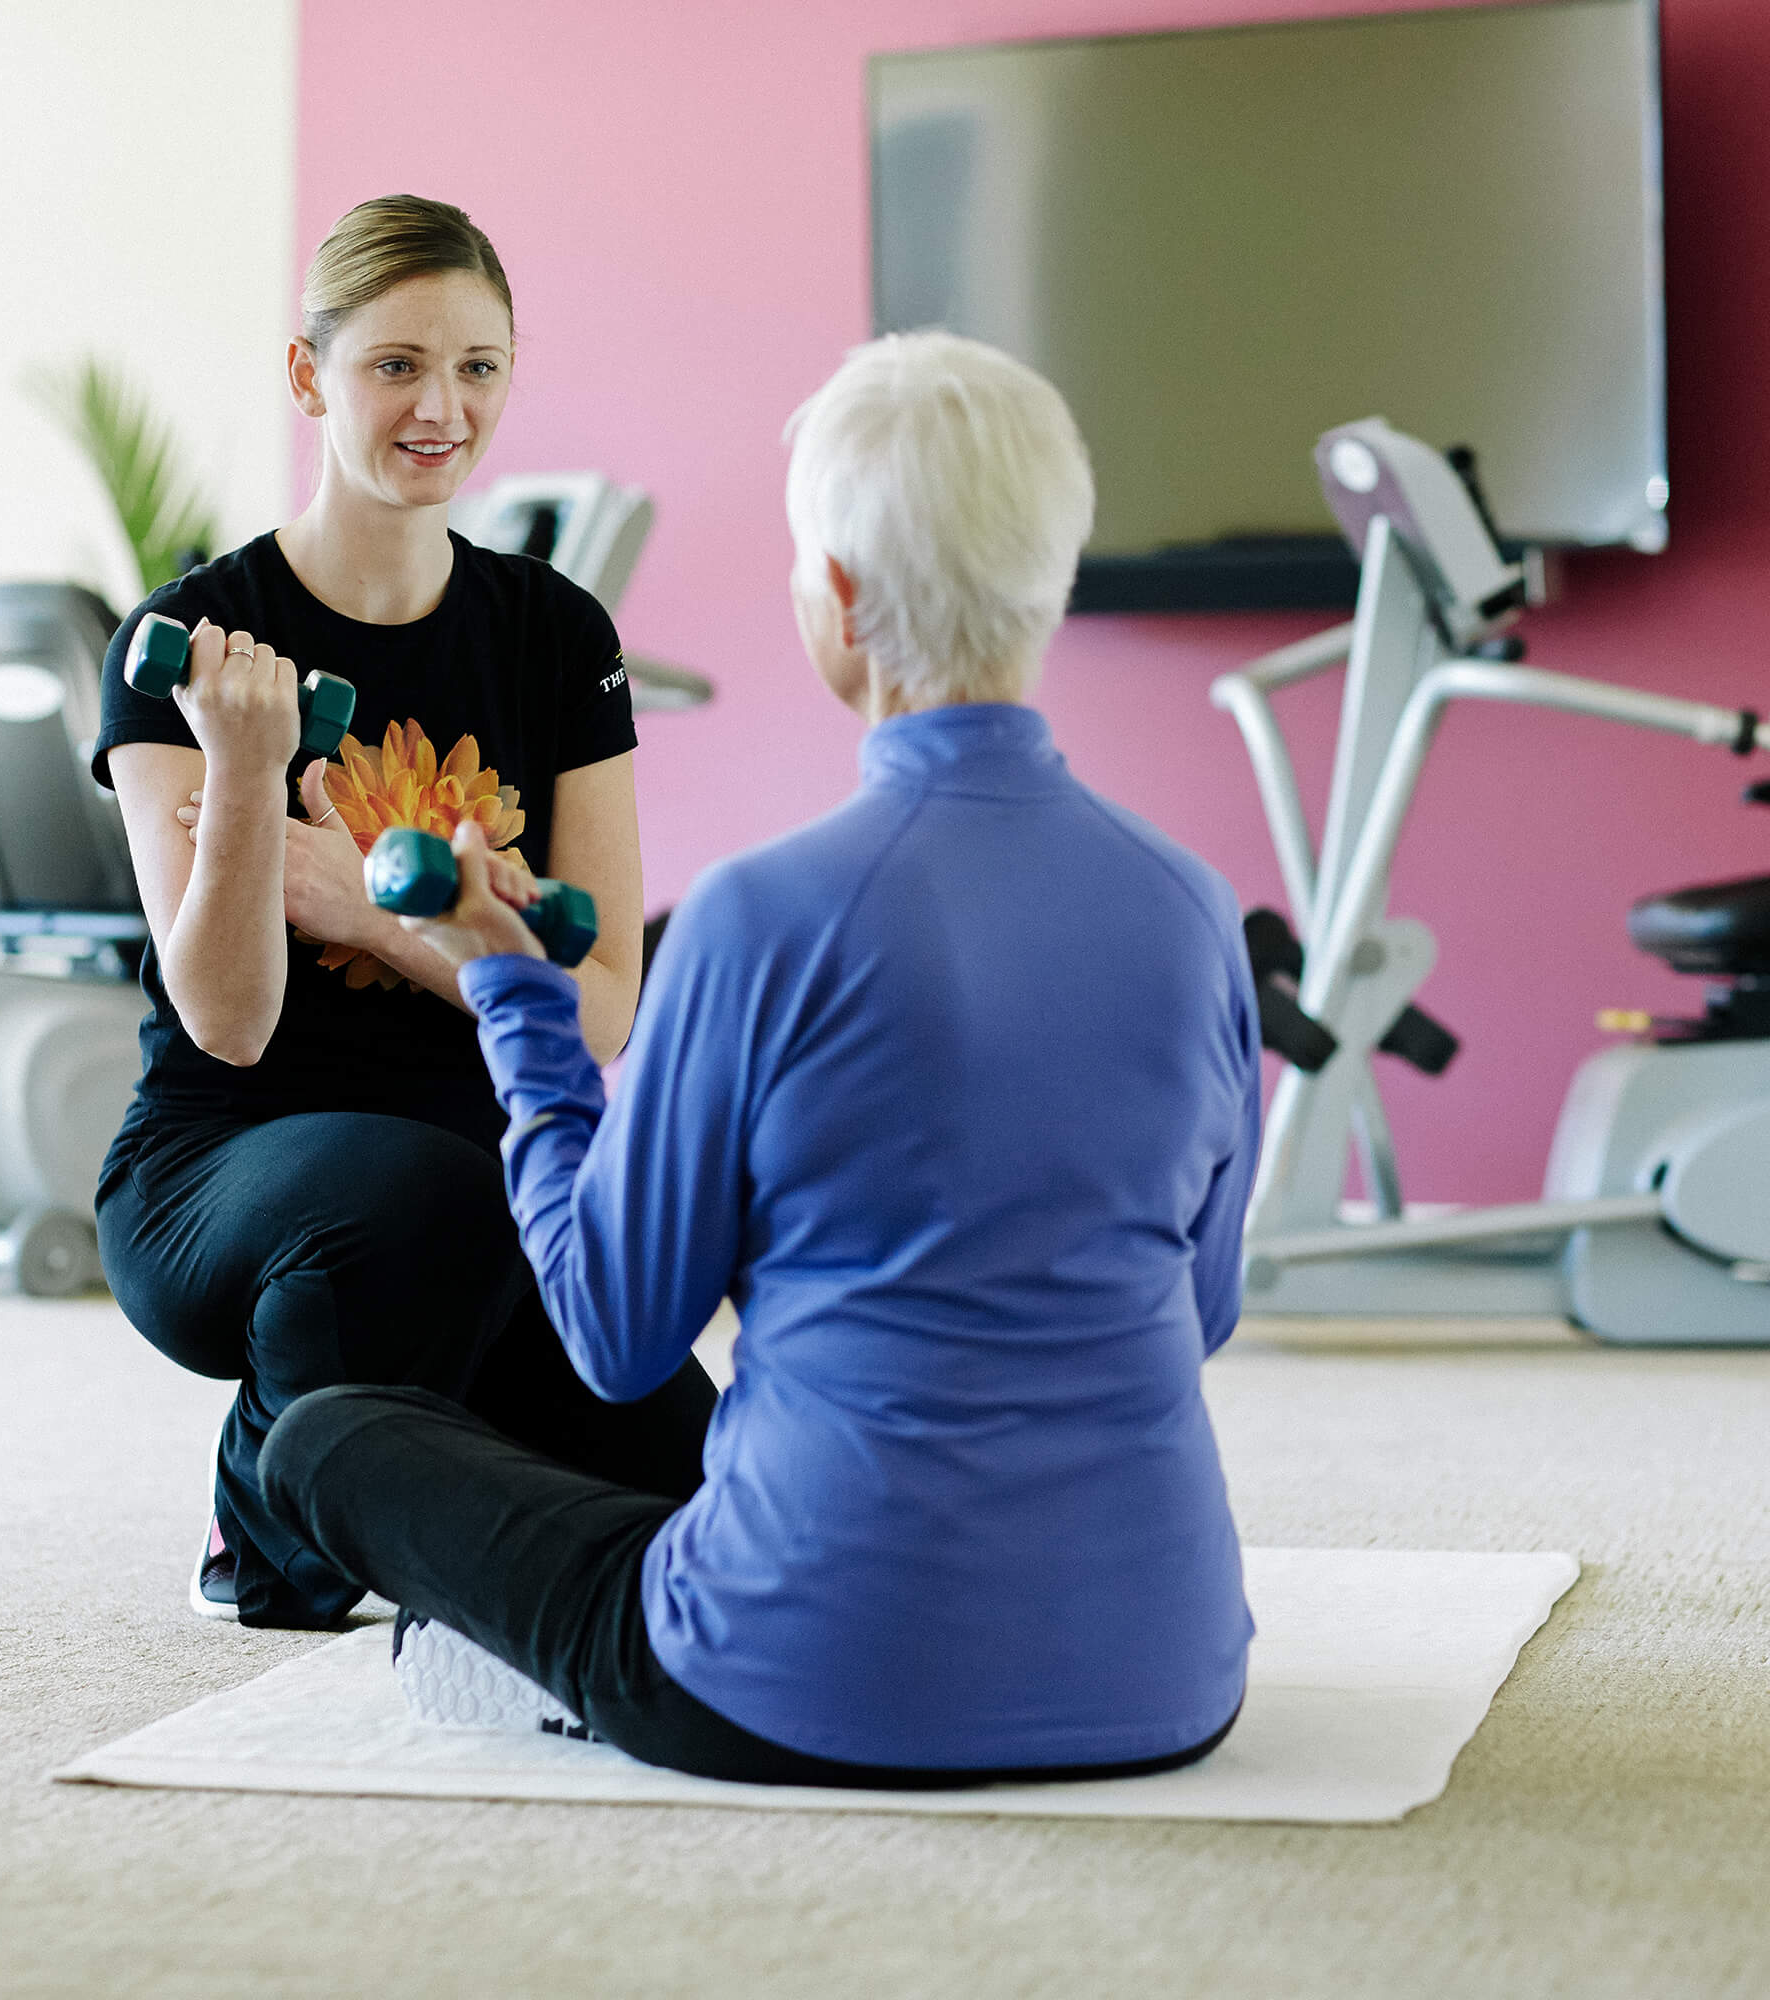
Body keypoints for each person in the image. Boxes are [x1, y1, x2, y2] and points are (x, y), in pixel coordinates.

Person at [260, 331, 1261, 1784]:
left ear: (838, 602)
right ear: (1052, 583)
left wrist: (514, 1000)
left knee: (327, 1442)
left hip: (792, 1681)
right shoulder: (1191, 908)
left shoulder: (759, 917)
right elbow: (1203, 1310)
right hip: (1169, 1681)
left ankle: (541, 1670)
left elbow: (614, 1334)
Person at [91, 195, 716, 1629]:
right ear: (310, 378)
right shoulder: (190, 645)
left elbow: (605, 1005)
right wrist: (248, 777)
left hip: (497, 1192)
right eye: (395, 366)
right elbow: (232, 1022)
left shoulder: (560, 638)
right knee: (413, 1194)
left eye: (478, 366)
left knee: (701, 1495)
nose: (442, 406)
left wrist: (370, 912)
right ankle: (266, 1513)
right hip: (222, 1174)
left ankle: (426, 1434)